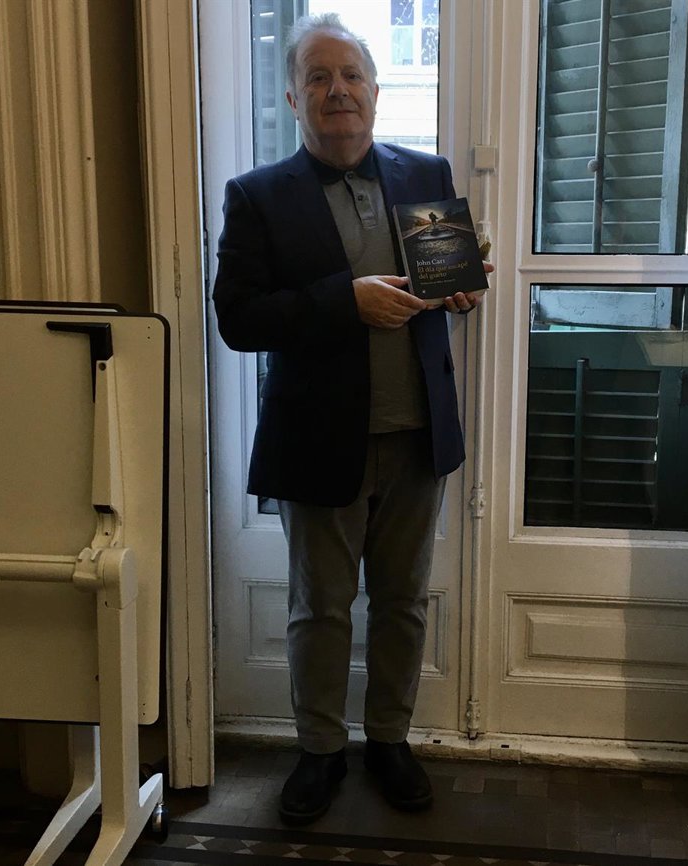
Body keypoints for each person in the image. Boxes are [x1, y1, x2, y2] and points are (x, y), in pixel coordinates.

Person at [211, 13, 486, 825]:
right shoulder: (257, 196)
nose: (339, 90)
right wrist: (345, 301)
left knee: (403, 602)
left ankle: (390, 740)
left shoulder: (426, 172)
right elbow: (238, 320)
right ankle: (321, 751)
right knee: (321, 608)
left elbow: (444, 285)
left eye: (352, 75)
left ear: (375, 90)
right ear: (294, 97)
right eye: (319, 77)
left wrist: (461, 290)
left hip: (417, 435)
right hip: (318, 439)